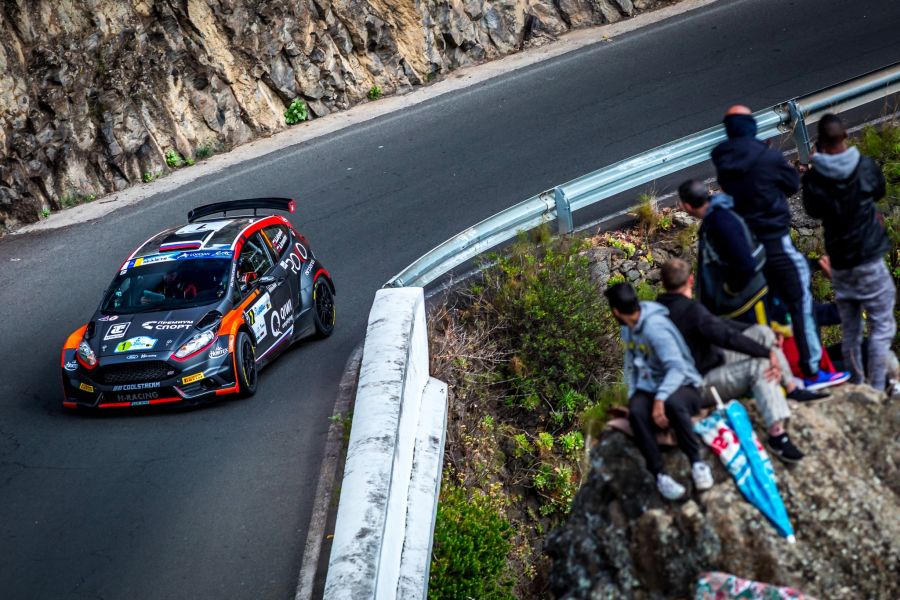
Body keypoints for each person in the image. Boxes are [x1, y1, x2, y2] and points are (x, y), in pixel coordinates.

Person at [711, 105, 840, 390]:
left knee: (769, 308)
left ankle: (781, 371)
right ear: (751, 127)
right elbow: (793, 184)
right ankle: (812, 369)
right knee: (801, 302)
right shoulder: (768, 157)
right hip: (776, 239)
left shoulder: (721, 158)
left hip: (747, 244)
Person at [657, 259, 829, 463]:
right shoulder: (690, 310)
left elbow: (717, 324)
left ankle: (791, 388)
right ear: (691, 280)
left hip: (706, 363)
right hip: (698, 384)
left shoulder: (659, 309)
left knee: (762, 332)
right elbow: (725, 337)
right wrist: (767, 353)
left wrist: (761, 339)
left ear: (663, 283)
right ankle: (777, 435)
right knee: (759, 366)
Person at [802, 114, 897, 391]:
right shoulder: (864, 166)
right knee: (882, 327)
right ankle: (877, 386)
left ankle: (857, 380)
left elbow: (812, 209)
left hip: (841, 261)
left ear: (819, 143)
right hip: (868, 257)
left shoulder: (815, 178)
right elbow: (879, 191)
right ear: (844, 137)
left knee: (851, 328)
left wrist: (814, 166)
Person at [604, 282, 714, 500]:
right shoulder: (628, 329)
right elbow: (632, 363)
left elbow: (678, 368)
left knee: (673, 404)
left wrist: (660, 399)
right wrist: (633, 393)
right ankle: (661, 475)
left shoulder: (655, 328)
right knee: (636, 412)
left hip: (685, 384)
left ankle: (697, 464)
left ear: (615, 311)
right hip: (651, 386)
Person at [677, 179, 767, 324]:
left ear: (687, 206)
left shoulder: (720, 222)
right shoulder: (718, 215)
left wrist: (730, 290)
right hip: (744, 302)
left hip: (748, 305)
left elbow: (745, 265)